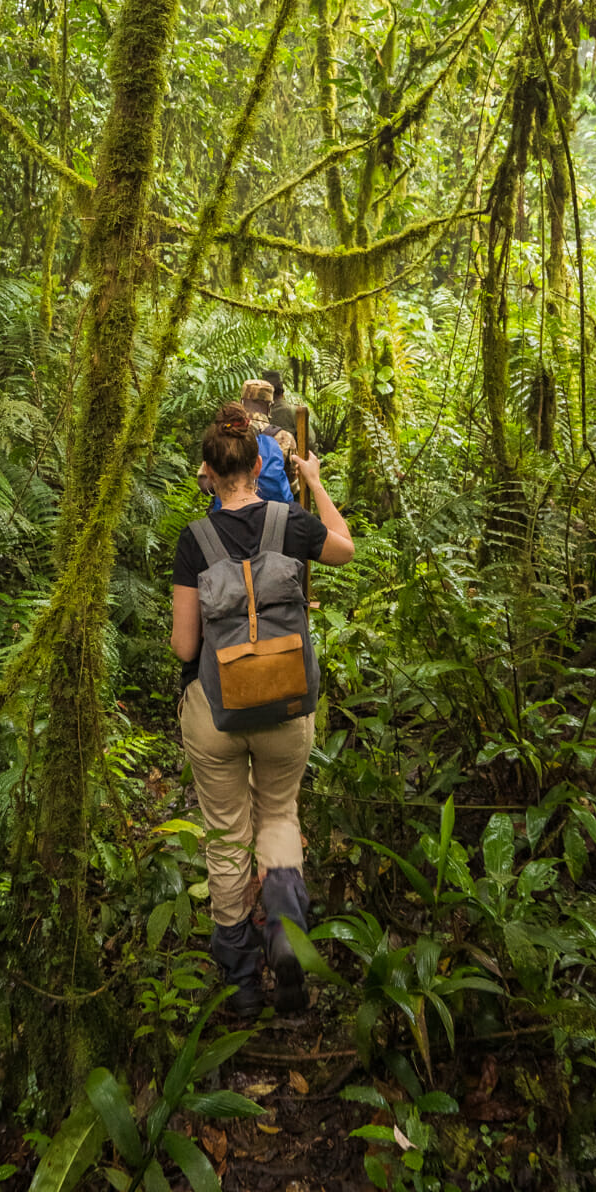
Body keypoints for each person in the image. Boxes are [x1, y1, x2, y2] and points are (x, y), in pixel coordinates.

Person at [172, 401, 354, 1017]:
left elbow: (185, 646)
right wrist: (316, 482)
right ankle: (285, 933)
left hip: (217, 714)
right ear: (259, 463)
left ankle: (243, 985)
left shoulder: (193, 540)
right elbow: (344, 549)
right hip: (284, 707)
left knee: (227, 841)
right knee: (278, 816)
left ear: (208, 470)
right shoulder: (289, 520)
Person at [199, 379, 294, 507]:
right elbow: (293, 484)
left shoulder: (227, 431)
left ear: (241, 402)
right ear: (270, 406)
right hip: (276, 518)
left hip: (229, 514)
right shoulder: (285, 438)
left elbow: (205, 483)